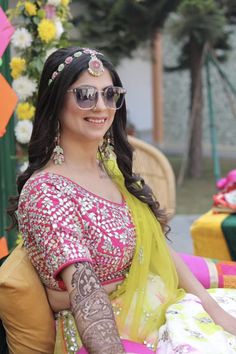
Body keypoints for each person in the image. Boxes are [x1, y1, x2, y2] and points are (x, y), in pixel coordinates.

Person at [7, 46, 236, 354]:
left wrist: (214, 310)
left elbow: (156, 247)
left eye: (110, 94)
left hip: (153, 304)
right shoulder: (48, 192)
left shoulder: (112, 168)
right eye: (85, 95)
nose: (101, 107)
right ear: (56, 101)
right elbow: (84, 291)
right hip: (104, 331)